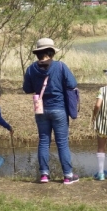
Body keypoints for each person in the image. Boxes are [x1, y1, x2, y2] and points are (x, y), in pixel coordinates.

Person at [23, 38, 79, 184]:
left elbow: (27, 89)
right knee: (62, 143)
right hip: (59, 109)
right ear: (51, 52)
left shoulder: (31, 69)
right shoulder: (60, 66)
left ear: (38, 53)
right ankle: (68, 176)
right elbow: (72, 84)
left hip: (41, 109)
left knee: (43, 141)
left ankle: (44, 175)